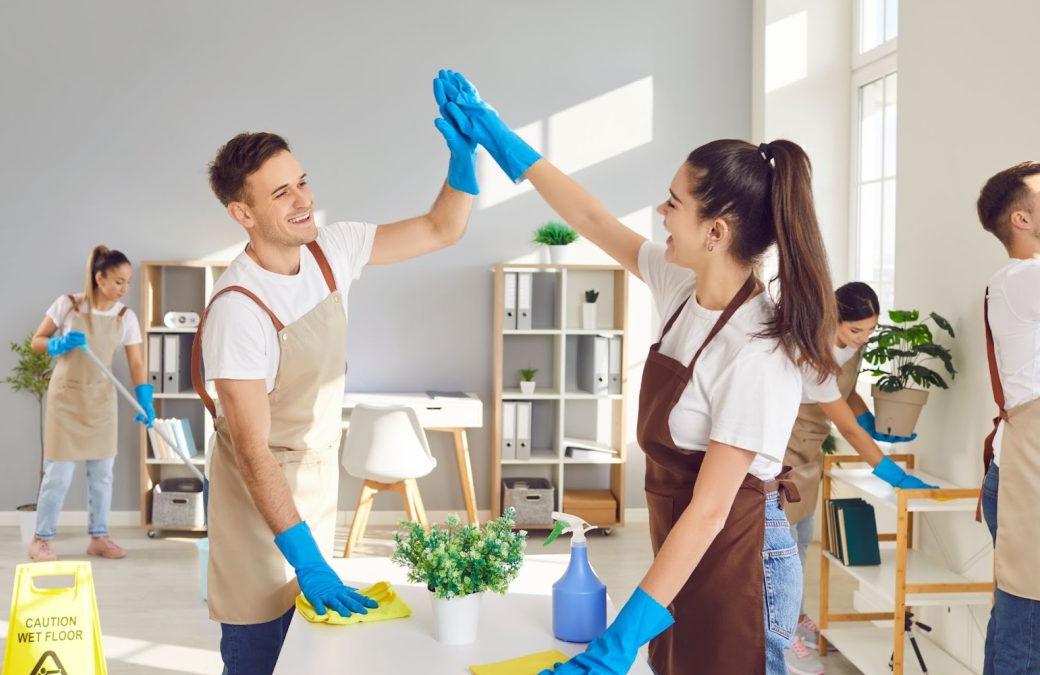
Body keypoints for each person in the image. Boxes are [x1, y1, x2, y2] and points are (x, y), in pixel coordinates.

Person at [436, 69, 835, 674]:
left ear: (716, 232)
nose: (660, 211)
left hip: (741, 556)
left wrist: (618, 641)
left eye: (674, 202)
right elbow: (593, 219)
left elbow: (709, 511)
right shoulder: (682, 287)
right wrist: (500, 139)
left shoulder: (756, 353)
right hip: (685, 548)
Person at [194, 118, 475, 674]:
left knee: (310, 656)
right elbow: (252, 455)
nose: (304, 200)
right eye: (281, 193)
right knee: (258, 655)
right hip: (257, 503)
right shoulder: (238, 311)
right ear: (242, 214)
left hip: (316, 482)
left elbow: (442, 229)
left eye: (302, 181)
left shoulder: (332, 248)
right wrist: (306, 561)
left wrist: (463, 160)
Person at [783, 281, 936, 675]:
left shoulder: (853, 341)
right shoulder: (811, 351)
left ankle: (792, 618)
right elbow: (847, 430)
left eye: (870, 330)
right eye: (856, 330)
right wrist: (892, 474)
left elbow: (844, 391)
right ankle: (779, 638)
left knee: (800, 540)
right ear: (833, 317)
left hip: (811, 448)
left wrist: (869, 417)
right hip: (786, 448)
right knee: (781, 548)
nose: (864, 338)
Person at [28, 245, 154, 562]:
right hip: (66, 400)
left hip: (101, 400)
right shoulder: (68, 305)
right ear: (100, 278)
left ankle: (99, 537)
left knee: (102, 475)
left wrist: (145, 399)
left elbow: (137, 362)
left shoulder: (125, 316)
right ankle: (41, 540)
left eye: (128, 282)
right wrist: (58, 343)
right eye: (118, 282)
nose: (125, 289)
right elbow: (36, 342)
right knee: (58, 475)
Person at [976, 160, 1040, 675]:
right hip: (1026, 479)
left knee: (1017, 621)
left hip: (1023, 474)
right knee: (1027, 629)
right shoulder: (1023, 279)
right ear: (1021, 219)